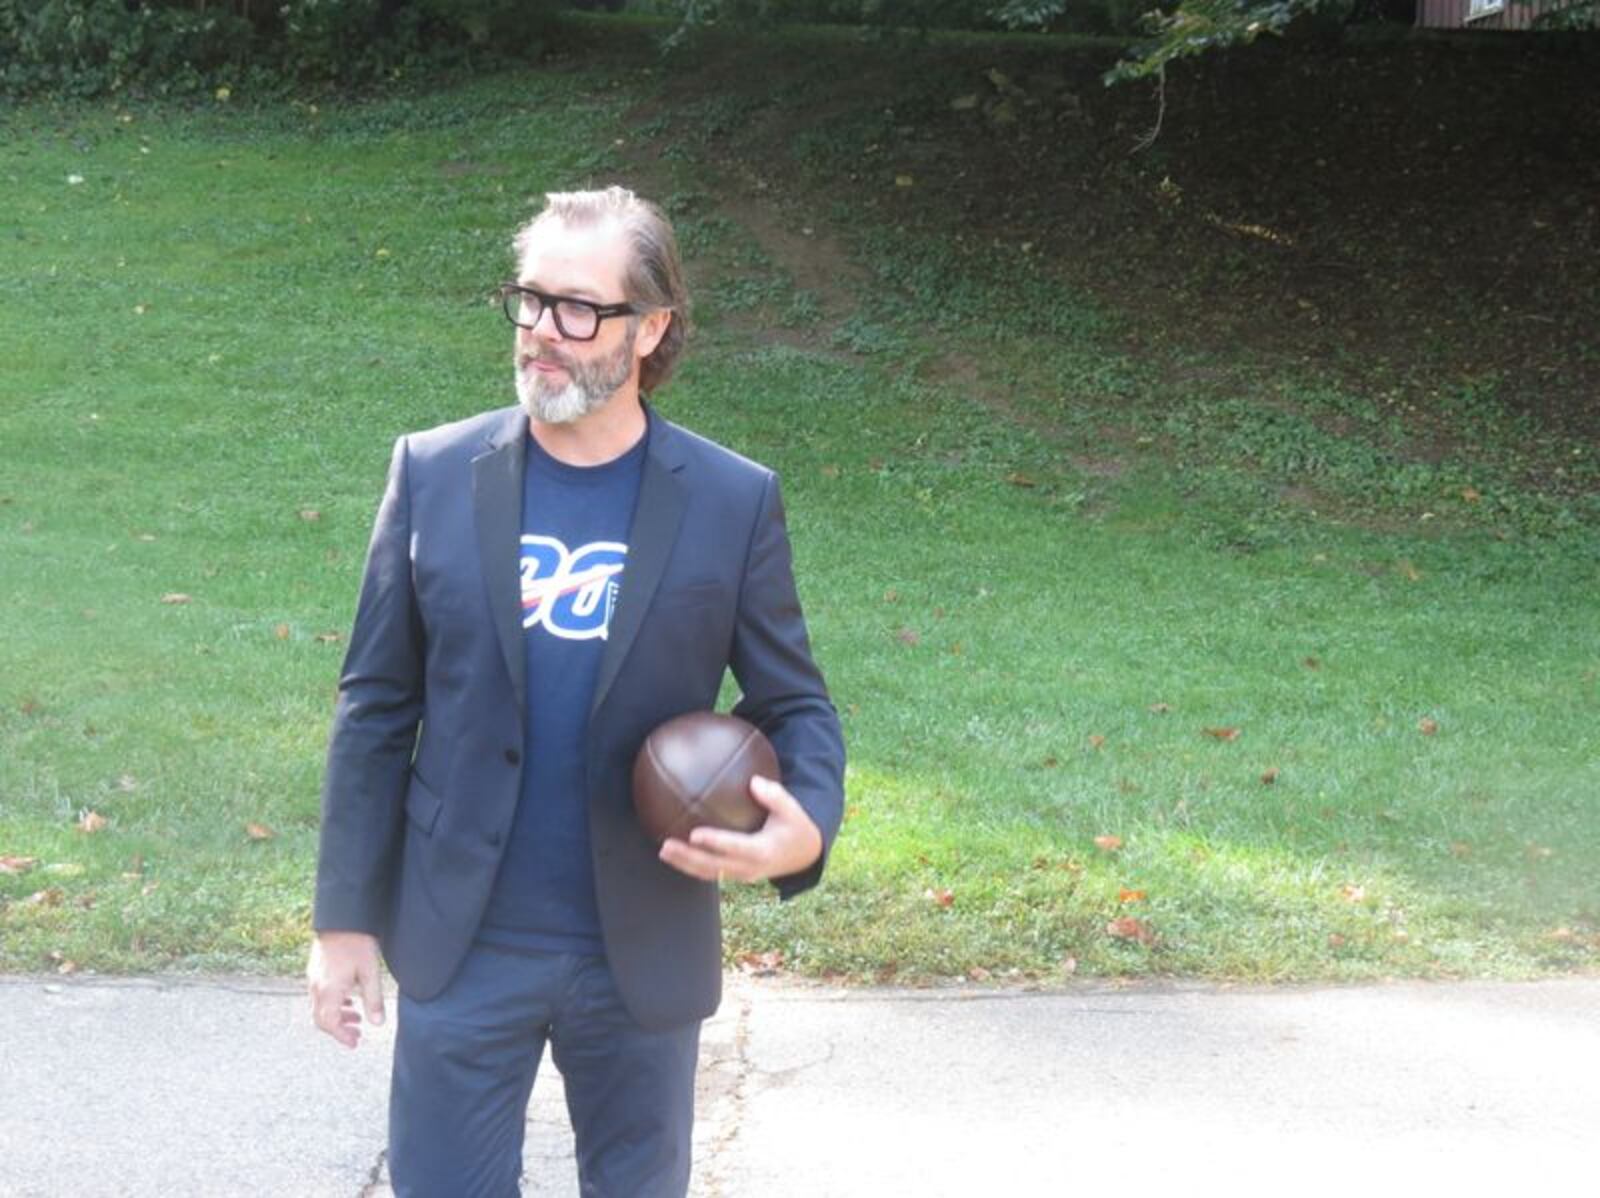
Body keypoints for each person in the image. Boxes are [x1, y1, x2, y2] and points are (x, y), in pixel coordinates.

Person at [305, 185, 846, 1197]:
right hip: (460, 940)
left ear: (650, 329)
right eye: (530, 299)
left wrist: (803, 827)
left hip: (637, 944)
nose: (543, 333)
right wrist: (343, 921)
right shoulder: (432, 471)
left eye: (579, 308)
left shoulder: (730, 499)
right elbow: (375, 707)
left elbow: (795, 704)